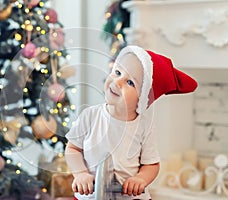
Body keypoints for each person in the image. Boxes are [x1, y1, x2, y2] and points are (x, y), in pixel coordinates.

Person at [65, 45, 198, 200]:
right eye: (117, 72)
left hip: (130, 197)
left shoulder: (144, 126)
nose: (117, 81)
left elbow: (151, 164)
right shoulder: (90, 116)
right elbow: (73, 148)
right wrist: (80, 173)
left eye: (130, 82)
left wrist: (140, 179)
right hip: (90, 195)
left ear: (142, 99)